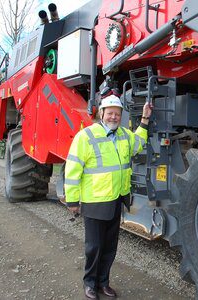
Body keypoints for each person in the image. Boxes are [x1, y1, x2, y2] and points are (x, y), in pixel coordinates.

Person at [64, 91, 152, 299]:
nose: (114, 117)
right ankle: (90, 284)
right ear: (101, 113)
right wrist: (73, 200)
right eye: (110, 113)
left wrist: (145, 119)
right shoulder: (86, 136)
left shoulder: (124, 135)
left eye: (117, 114)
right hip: (95, 202)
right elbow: (73, 169)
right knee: (94, 247)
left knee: (110, 248)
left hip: (115, 200)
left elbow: (139, 142)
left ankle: (103, 282)